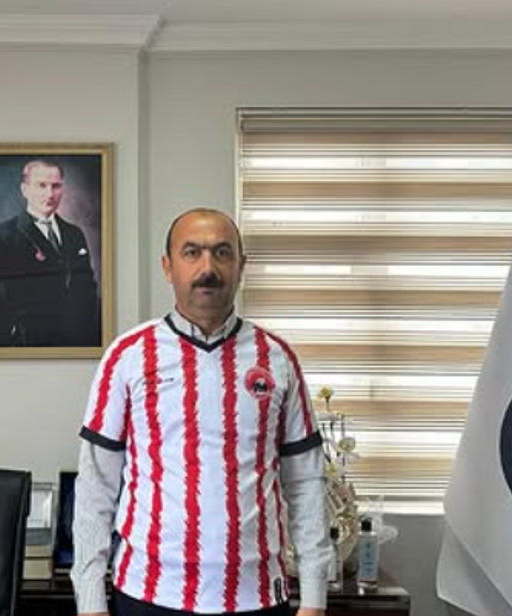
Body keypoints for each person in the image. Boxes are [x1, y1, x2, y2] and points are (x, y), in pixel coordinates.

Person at [73, 208, 331, 616]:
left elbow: (306, 483)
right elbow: (94, 488)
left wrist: (315, 598)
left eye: (222, 253)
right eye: (192, 252)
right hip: (148, 595)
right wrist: (90, 601)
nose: (207, 268)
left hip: (257, 598)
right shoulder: (128, 357)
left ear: (241, 266)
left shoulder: (278, 359)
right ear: (167, 266)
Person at [0, 158, 101, 348]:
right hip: (24, 348)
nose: (49, 194)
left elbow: (87, 292)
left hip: (72, 347)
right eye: (41, 185)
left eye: (55, 186)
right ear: (25, 190)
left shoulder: (74, 234)